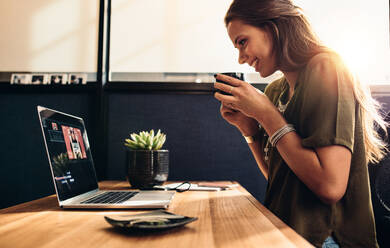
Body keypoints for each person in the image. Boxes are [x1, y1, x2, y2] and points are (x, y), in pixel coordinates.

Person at [213, 0, 387, 247]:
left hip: (327, 238)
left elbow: (330, 186)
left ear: (273, 28)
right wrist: (250, 131)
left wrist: (266, 114)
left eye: (243, 42)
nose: (241, 58)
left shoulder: (328, 68)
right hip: (285, 231)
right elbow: (281, 177)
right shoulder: (275, 90)